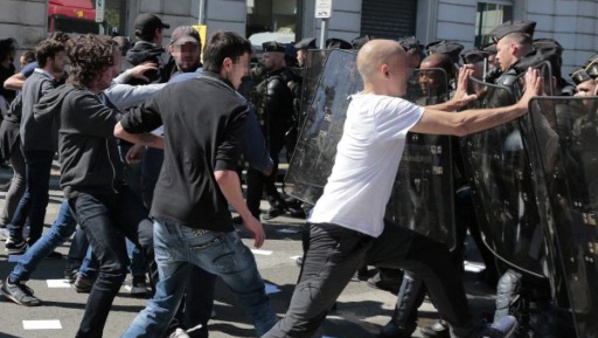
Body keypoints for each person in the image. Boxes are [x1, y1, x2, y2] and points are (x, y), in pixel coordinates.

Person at [261, 39, 543, 338]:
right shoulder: (383, 107)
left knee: (433, 255)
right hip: (337, 234)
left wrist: (455, 101)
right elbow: (459, 126)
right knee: (297, 328)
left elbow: (423, 115)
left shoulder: (364, 101)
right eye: (405, 69)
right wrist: (521, 106)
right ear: (385, 71)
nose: (410, 74)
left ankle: (467, 331)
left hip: (367, 231)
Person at [115, 30, 277, 338]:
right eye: (245, 65)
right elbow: (224, 174)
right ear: (228, 64)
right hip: (205, 220)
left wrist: (160, 143)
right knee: (255, 299)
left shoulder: (174, 91)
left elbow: (121, 129)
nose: (247, 73)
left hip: (164, 216)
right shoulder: (235, 105)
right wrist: (248, 216)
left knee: (162, 305)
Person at [33, 34, 155, 338]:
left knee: (156, 242)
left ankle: (169, 316)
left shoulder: (94, 91)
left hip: (115, 188)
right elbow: (122, 126)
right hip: (87, 193)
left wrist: (142, 143)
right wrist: (169, 129)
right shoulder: (78, 99)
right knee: (114, 266)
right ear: (98, 69)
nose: (116, 71)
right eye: (113, 66)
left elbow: (123, 124)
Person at [4, 39, 67, 253]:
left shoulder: (32, 79)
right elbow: (57, 106)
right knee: (38, 195)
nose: (64, 61)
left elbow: (17, 106)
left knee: (34, 192)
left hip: (32, 142)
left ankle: (17, 234)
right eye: (60, 57)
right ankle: (33, 242)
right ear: (49, 60)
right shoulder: (47, 83)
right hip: (40, 144)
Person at [247, 41, 295, 220]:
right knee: (262, 174)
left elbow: (264, 110)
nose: (264, 59)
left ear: (278, 57)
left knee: (256, 172)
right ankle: (276, 203)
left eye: (267, 56)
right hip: (265, 135)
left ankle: (251, 213)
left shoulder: (277, 81)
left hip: (268, 135)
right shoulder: (270, 76)